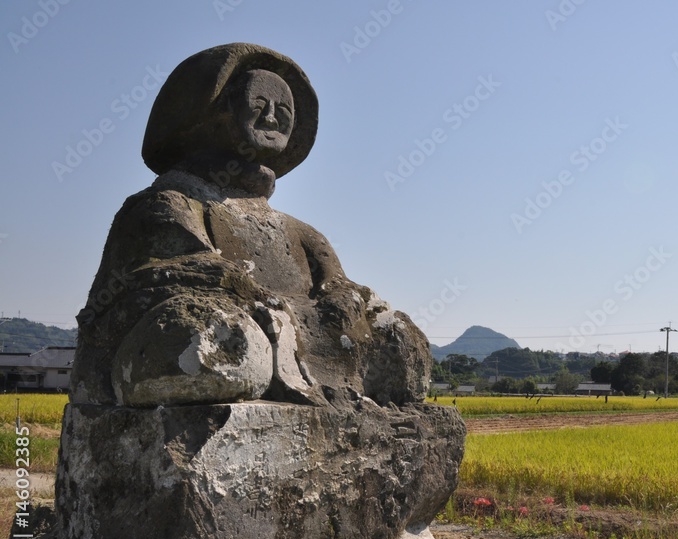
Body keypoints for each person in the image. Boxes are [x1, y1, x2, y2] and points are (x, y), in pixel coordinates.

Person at [71, 43, 430, 409]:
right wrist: (248, 294)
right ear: (216, 110)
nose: (273, 117)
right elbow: (162, 280)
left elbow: (343, 290)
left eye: (285, 110)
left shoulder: (300, 232)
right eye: (259, 104)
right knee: (214, 338)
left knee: (397, 336)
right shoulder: (171, 202)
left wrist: (344, 300)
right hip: (232, 337)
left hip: (309, 345)